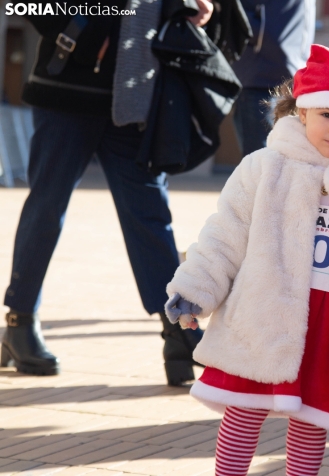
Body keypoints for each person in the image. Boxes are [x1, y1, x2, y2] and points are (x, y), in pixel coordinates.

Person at [164, 45, 329, 476]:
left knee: (313, 420)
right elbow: (224, 235)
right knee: (244, 411)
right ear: (302, 111)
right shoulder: (265, 167)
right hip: (264, 314)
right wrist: (194, 289)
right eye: (326, 114)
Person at [0, 0, 213, 384]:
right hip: (66, 90)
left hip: (133, 99)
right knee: (47, 207)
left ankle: (178, 332)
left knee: (150, 214)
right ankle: (19, 320)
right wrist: (80, 31)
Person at [231, 0, 315, 159]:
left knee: (267, 161)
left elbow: (241, 19)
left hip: (276, 80)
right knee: (263, 161)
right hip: (263, 78)